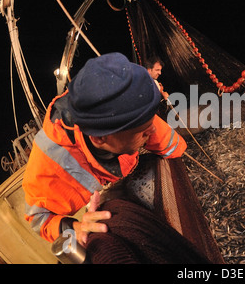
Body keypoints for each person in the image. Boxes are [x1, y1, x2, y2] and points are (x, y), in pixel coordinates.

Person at [22, 52, 187, 246]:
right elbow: (38, 218)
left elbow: (160, 135)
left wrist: (177, 151)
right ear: (100, 139)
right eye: (143, 131)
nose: (151, 130)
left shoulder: (127, 115)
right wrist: (75, 229)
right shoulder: (50, 166)